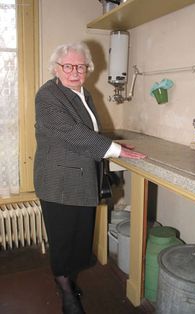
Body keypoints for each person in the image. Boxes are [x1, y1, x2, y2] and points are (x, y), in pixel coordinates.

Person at [33, 42, 146, 314]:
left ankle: (68, 281)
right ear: (56, 69)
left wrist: (115, 144)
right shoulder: (48, 95)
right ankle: (66, 293)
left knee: (79, 239)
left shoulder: (85, 93)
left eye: (80, 66)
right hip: (58, 182)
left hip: (82, 179)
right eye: (68, 66)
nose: (74, 71)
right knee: (63, 241)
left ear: (88, 69)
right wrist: (115, 149)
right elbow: (71, 132)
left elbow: (90, 131)